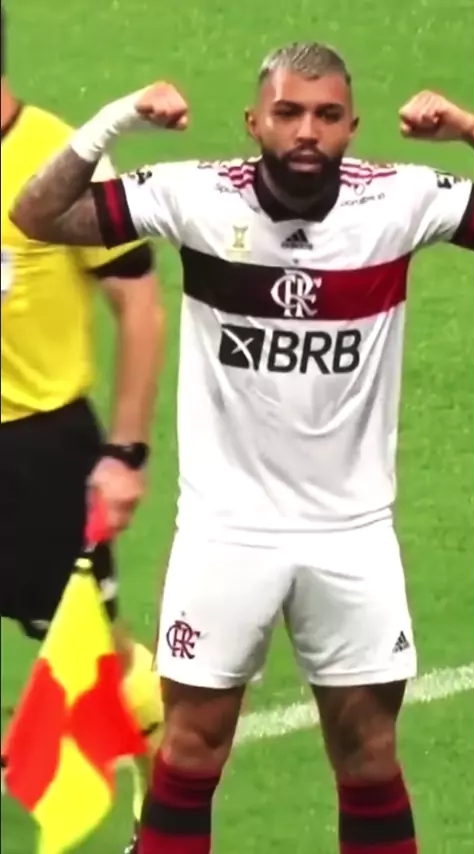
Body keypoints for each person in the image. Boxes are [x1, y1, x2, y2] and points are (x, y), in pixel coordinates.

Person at [8, 39, 474, 854]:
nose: (307, 131)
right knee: (191, 748)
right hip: (225, 532)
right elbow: (35, 215)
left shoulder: (398, 201)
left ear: (352, 126)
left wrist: (469, 128)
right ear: (255, 121)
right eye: (288, 112)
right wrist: (116, 119)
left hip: (352, 534)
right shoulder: (197, 195)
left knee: (370, 755)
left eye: (327, 115)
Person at [0, 6, 163, 853]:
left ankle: (164, 817)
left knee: (99, 657)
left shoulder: (59, 157)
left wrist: (126, 452)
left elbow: (139, 307)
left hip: (38, 455)